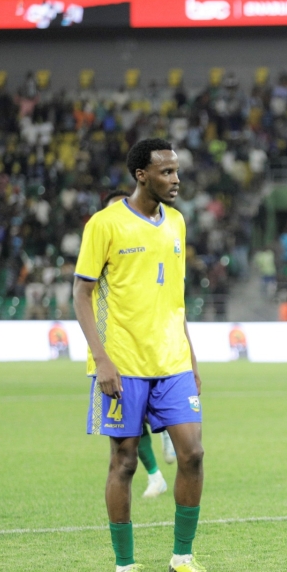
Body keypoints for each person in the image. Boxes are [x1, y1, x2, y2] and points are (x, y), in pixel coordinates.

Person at [73, 138, 223, 572]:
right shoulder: (105, 224)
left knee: (193, 453)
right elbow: (81, 294)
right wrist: (102, 360)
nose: (176, 180)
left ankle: (182, 559)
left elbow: (175, 302)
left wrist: (192, 358)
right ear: (142, 175)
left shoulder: (176, 223)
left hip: (173, 360)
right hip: (124, 362)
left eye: (177, 171)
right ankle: (125, 566)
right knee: (124, 462)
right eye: (166, 172)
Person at [102, 189, 172, 499]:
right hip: (112, 350)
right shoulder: (101, 254)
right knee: (124, 435)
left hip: (144, 349)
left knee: (127, 434)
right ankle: (156, 474)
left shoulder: (150, 250)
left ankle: (168, 428)